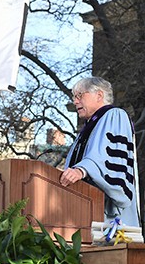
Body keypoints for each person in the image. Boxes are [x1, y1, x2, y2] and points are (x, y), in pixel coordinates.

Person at [59, 76, 139, 227]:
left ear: (99, 95)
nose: (75, 101)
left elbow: (108, 156)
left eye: (79, 95)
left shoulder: (115, 115)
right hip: (85, 210)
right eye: (74, 97)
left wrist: (81, 170)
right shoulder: (87, 130)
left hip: (109, 213)